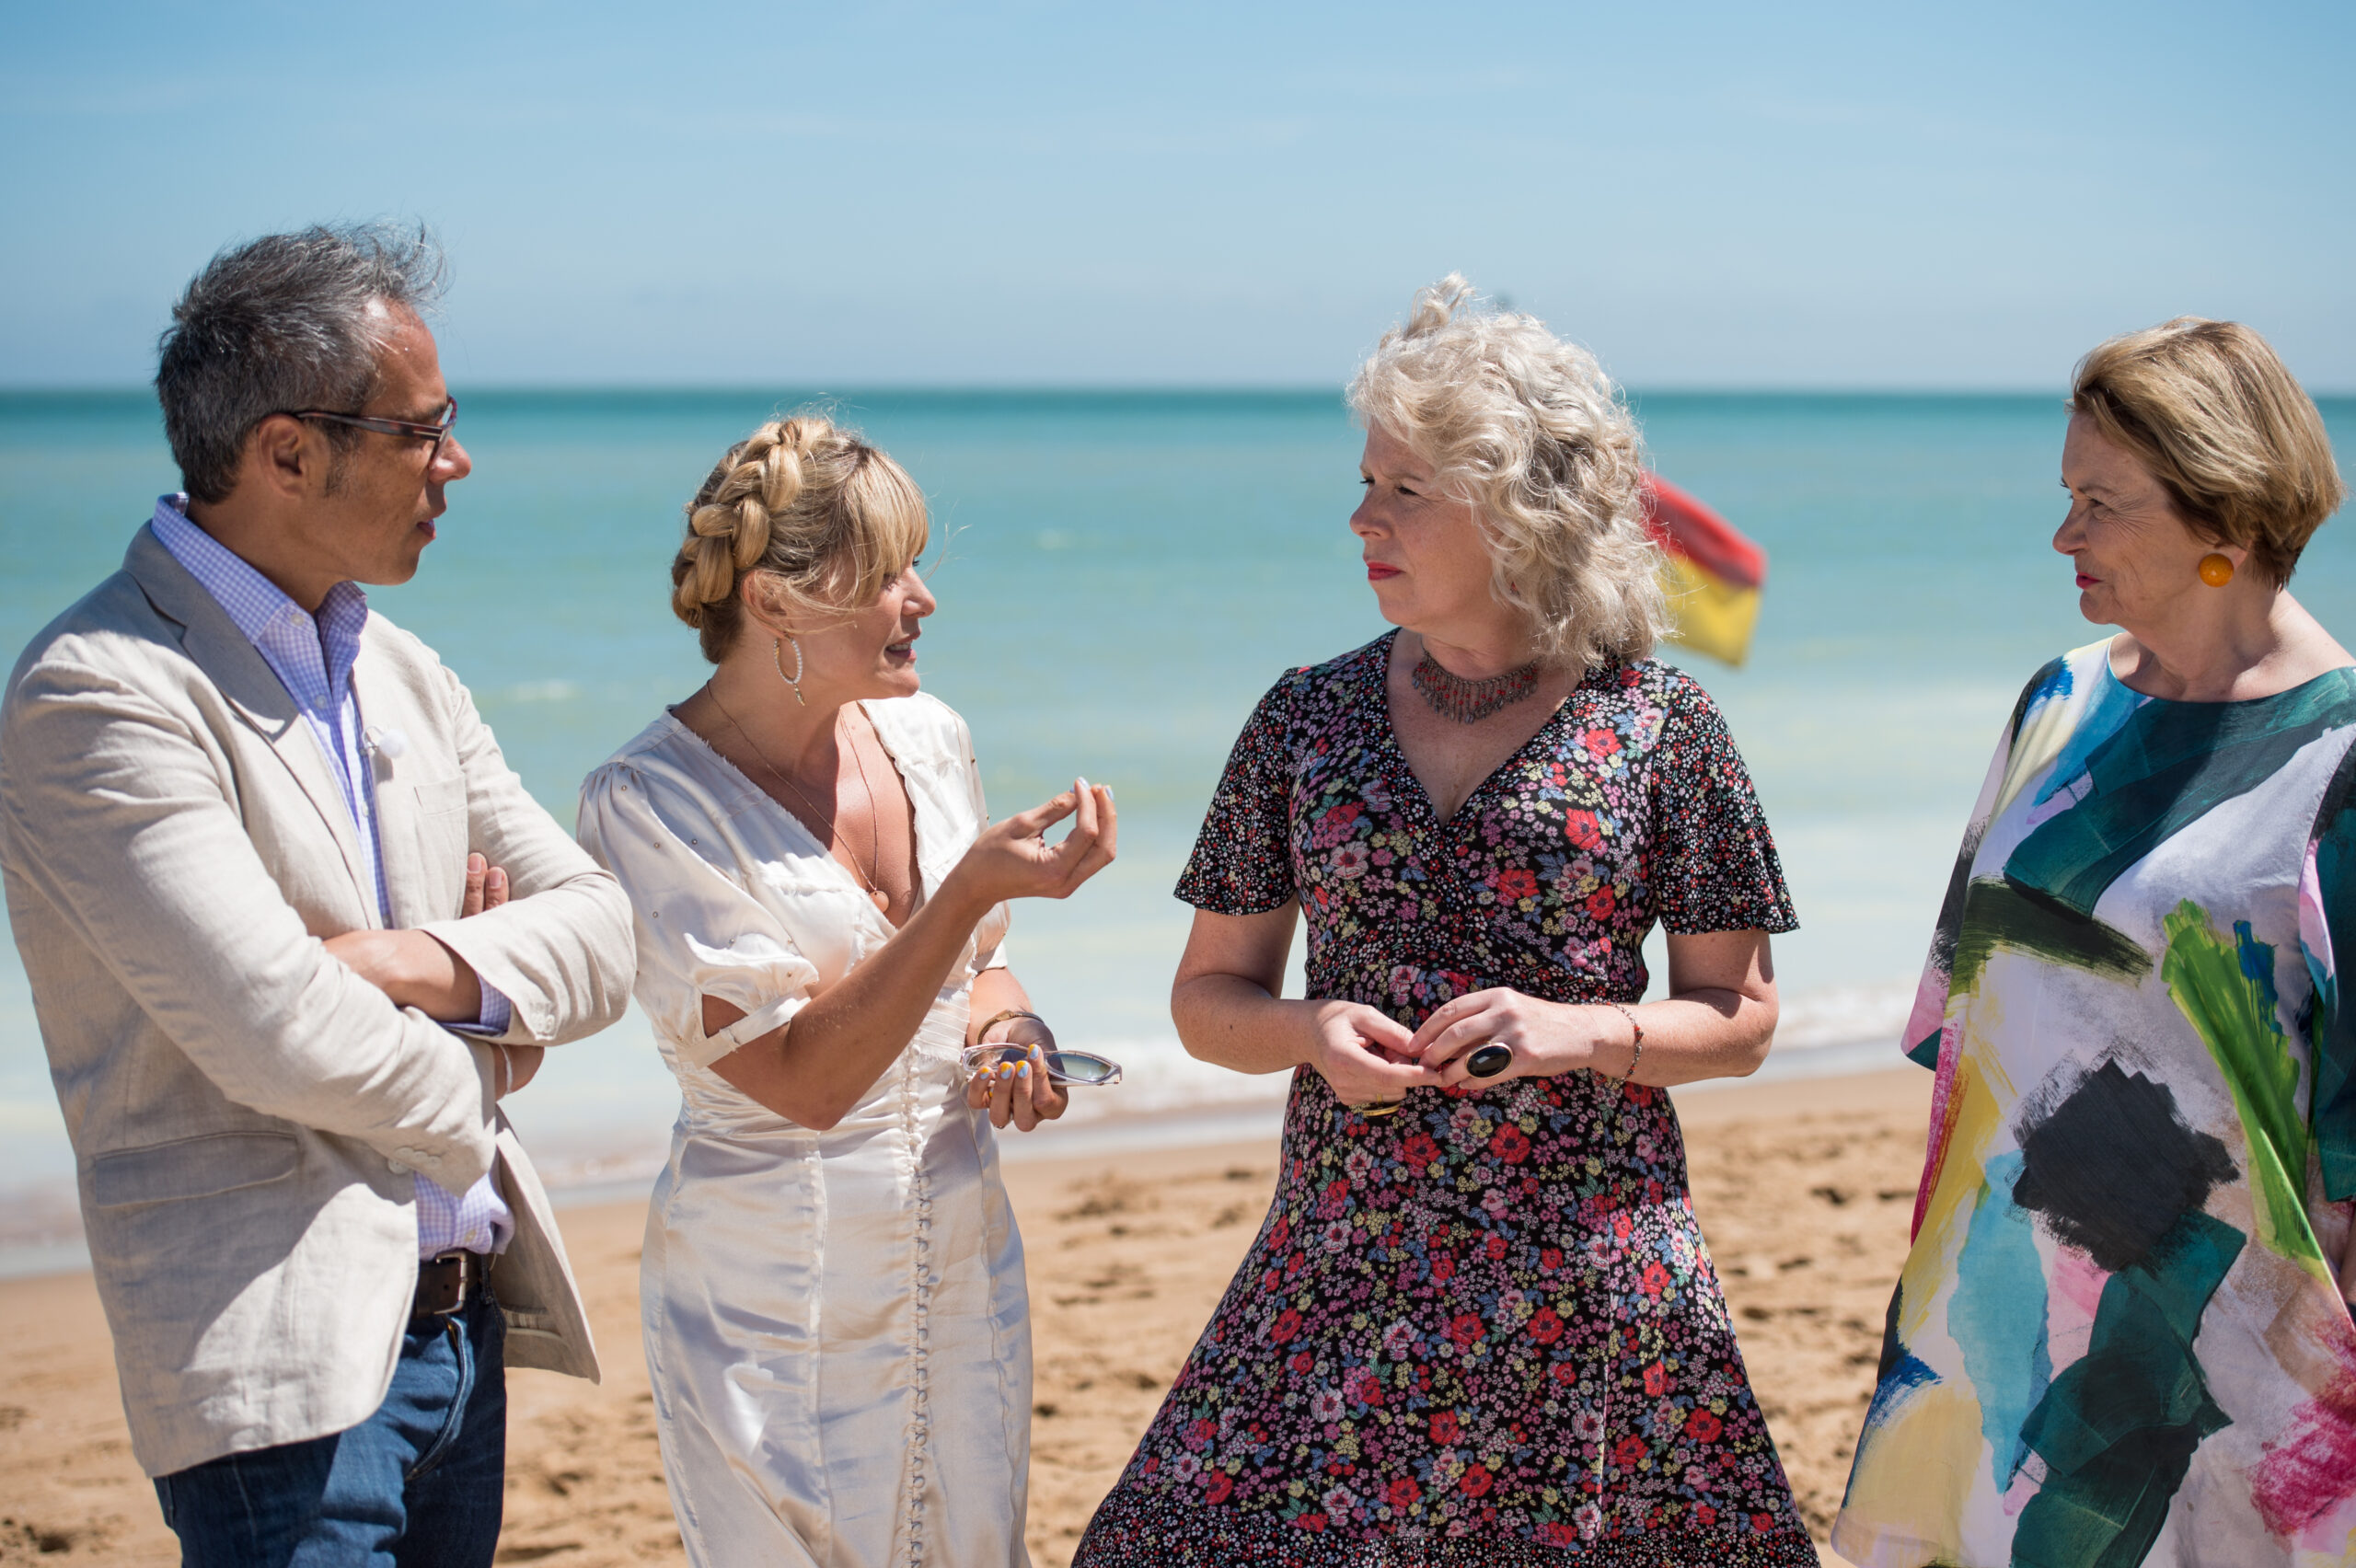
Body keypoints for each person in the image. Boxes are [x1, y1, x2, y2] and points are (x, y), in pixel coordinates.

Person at [1073, 277, 1816, 1566]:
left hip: (1588, 1278)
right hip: (1341, 1266)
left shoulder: (1665, 729)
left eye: (1406, 490)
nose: (1362, 518)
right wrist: (1307, 1030)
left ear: (1519, 509)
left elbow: (1740, 1020)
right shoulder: (1303, 718)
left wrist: (1575, 1031)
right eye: (1367, 482)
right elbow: (1209, 1002)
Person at [0, 224, 635, 1564]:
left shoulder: (402, 668)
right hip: (277, 1363)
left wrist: (410, 961)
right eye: (424, 429)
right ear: (287, 452)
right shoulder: (98, 691)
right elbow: (275, 1030)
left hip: (464, 1334)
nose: (455, 463)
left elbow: (602, 928)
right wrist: (493, 1051)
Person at [1834, 320, 2356, 1566]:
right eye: (2068, 496)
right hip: (1995, 1326)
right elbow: (1965, 1030)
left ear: (2223, 516)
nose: (2065, 536)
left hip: (2220, 1372)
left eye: (2101, 504)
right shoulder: (2054, 704)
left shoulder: (2341, 759)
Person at [574, 412, 1118, 1567]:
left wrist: (1009, 1022)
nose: (920, 599)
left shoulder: (928, 735)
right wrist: (963, 896)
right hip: (775, 1298)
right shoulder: (651, 802)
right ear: (772, 603)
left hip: (961, 1259)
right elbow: (802, 1081)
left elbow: (980, 968)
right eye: (884, 574)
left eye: (917, 564)